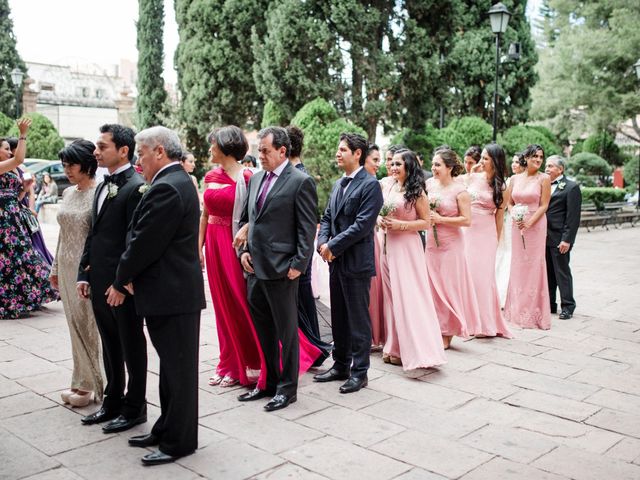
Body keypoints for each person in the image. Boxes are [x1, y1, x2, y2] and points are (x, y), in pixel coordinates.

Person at [107, 126, 205, 465]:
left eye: (142, 153)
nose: (138, 161)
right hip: (171, 292)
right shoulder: (175, 182)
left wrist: (121, 281)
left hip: (173, 294)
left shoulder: (168, 187)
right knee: (171, 369)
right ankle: (165, 427)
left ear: (159, 151)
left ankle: (179, 441)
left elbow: (144, 243)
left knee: (179, 372)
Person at [238, 126, 318, 411]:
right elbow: (247, 221)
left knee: (287, 333)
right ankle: (268, 383)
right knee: (264, 332)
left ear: (282, 151)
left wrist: (298, 264)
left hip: (284, 270)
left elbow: (307, 228)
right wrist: (244, 252)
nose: (259, 155)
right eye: (259, 150)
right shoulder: (256, 179)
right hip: (254, 269)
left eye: (265, 151)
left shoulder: (300, 181)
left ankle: (287, 389)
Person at [77, 124, 148, 433]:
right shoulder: (102, 185)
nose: (96, 151)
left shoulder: (136, 186)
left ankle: (136, 407)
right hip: (99, 280)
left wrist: (121, 283)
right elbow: (94, 234)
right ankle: (112, 401)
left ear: (123, 150)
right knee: (109, 344)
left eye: (102, 146)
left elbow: (136, 240)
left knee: (131, 345)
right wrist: (83, 272)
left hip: (122, 285)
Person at [315, 133, 383, 393]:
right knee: (339, 316)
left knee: (357, 319)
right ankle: (340, 364)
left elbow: (362, 226)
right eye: (338, 148)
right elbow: (328, 215)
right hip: (335, 261)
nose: (337, 153)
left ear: (357, 154)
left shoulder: (370, 185)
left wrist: (332, 245)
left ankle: (359, 372)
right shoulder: (337, 183)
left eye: (343, 149)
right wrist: (322, 242)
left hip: (356, 262)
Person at [199, 126, 265, 388]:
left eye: (213, 145)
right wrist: (199, 247)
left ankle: (249, 363)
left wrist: (246, 236)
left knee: (239, 303)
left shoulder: (248, 177)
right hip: (213, 244)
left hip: (234, 244)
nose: (209, 149)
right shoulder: (210, 175)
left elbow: (258, 215)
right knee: (221, 305)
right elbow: (204, 214)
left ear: (226, 147)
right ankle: (226, 362)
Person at [379, 150, 446, 369]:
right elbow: (380, 213)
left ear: (409, 166)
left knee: (407, 296)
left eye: (399, 164)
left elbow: (426, 223)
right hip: (387, 246)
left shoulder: (417, 193)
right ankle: (393, 345)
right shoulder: (389, 187)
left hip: (407, 247)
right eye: (393, 163)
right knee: (390, 297)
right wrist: (381, 220)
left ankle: (411, 348)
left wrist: (401, 225)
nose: (394, 167)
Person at [50, 140, 103, 407]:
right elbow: (62, 233)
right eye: (64, 165)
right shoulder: (69, 193)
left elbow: (100, 236)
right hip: (66, 264)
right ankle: (81, 380)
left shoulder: (99, 195)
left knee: (89, 325)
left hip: (87, 268)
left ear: (87, 163)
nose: (67, 169)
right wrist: (55, 268)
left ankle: (94, 384)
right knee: (73, 325)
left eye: (71, 164)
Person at [0, 119, 58, 319]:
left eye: (10, 149)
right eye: (6, 149)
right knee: (7, 259)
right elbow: (18, 159)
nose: (10, 152)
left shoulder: (10, 169)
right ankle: (9, 302)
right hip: (3, 220)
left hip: (13, 216)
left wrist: (24, 191)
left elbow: (15, 196)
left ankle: (21, 299)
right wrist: (23, 133)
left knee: (20, 257)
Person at [425, 147, 480, 349]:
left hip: (451, 245)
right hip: (431, 243)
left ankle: (448, 333)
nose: (433, 167)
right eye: (433, 164)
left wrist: (441, 219)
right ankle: (434, 328)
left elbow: (466, 220)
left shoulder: (460, 191)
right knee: (432, 287)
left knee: (448, 288)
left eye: (437, 164)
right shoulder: (429, 184)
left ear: (449, 167)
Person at [285, 125, 331, 363]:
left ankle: (315, 349)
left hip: (297, 250)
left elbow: (308, 221)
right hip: (292, 249)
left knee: (302, 301)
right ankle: (313, 348)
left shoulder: (301, 177)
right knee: (301, 302)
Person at [463, 144, 512, 338]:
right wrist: (470, 174)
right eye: (481, 158)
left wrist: (496, 240)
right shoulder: (472, 178)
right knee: (468, 275)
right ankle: (468, 320)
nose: (481, 162)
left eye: (485, 159)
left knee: (483, 278)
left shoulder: (502, 186)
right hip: (467, 231)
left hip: (486, 233)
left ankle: (484, 323)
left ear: (495, 161)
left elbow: (500, 216)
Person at [504, 144, 552, 329]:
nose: (538, 160)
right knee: (518, 264)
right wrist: (514, 215)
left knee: (534, 265)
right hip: (517, 224)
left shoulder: (544, 178)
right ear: (526, 158)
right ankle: (516, 310)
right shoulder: (514, 179)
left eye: (540, 157)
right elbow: (509, 203)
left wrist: (530, 222)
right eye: (534, 157)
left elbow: (544, 204)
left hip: (536, 224)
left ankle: (534, 313)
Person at [545, 155, 581, 319]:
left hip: (560, 238)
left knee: (562, 272)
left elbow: (573, 217)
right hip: (543, 237)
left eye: (551, 166)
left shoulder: (571, 187)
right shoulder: (544, 185)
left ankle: (568, 306)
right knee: (548, 272)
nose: (547, 169)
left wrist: (567, 239)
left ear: (561, 169)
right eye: (546, 165)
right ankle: (550, 304)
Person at [9, 137, 54, 265]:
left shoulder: (23, 168)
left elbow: (31, 191)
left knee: (34, 240)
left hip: (24, 206)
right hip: (12, 207)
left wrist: (32, 209)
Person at [495, 154, 525, 307]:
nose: (514, 164)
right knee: (507, 252)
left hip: (522, 221)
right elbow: (505, 203)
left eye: (517, 162)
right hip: (508, 220)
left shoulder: (526, 180)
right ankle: (501, 292)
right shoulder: (509, 181)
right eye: (512, 162)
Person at [363, 144, 385, 349]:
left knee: (372, 289)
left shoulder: (375, 184)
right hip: (369, 239)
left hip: (371, 240)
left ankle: (373, 335)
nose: (379, 164)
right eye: (375, 160)